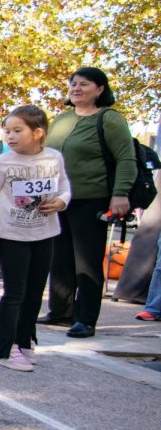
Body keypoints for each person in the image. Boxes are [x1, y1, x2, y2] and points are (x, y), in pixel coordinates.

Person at [40, 67, 136, 338]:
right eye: (73, 84)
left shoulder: (109, 119)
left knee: (87, 261)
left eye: (84, 84)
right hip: (58, 200)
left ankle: (85, 318)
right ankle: (61, 311)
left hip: (91, 199)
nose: (76, 88)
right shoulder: (62, 119)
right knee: (59, 259)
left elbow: (125, 158)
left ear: (100, 89)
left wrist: (120, 193)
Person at [0, 106, 71, 371]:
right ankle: (3, 350)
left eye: (17, 130)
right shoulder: (3, 162)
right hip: (11, 235)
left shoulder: (54, 157)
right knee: (14, 293)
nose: (10, 136)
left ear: (38, 132)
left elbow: (64, 186)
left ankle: (24, 340)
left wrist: (61, 202)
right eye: (7, 131)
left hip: (44, 234)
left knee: (35, 292)